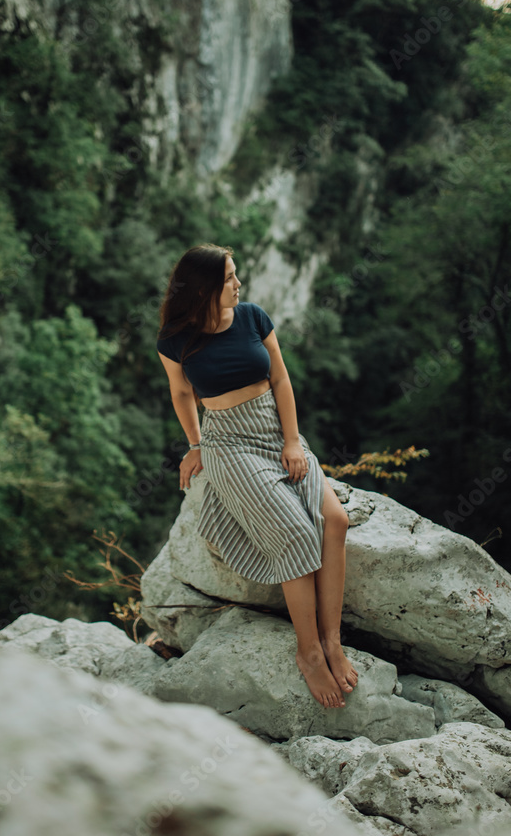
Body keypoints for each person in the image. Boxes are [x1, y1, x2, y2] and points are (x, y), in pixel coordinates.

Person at [156, 243, 358, 708]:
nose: (238, 284)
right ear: (205, 286)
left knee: (336, 521)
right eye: (229, 277)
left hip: (275, 429)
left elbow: (282, 379)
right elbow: (181, 392)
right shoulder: (175, 339)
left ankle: (331, 640)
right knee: (292, 533)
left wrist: (292, 441)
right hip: (229, 442)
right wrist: (196, 443)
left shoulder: (252, 317)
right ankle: (307, 652)